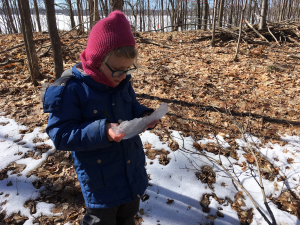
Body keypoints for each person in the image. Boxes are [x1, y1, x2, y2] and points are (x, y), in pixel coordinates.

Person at [43, 10, 158, 225]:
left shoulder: (121, 81)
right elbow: (60, 134)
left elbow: (131, 105)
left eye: (127, 69)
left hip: (130, 171)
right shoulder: (72, 88)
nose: (123, 75)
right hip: (100, 181)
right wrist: (103, 131)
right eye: (117, 70)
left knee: (128, 216)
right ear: (97, 60)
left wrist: (144, 114)